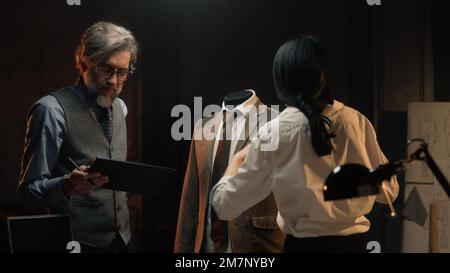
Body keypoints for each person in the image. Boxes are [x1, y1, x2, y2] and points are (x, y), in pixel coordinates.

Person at [211, 35, 399, 253]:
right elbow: (389, 193)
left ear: (281, 80)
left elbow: (225, 206)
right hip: (358, 245)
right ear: (323, 75)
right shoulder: (356, 121)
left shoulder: (273, 132)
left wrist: (237, 159)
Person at [17, 21, 138, 253]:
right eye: (105, 69)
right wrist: (66, 185)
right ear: (83, 61)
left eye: (122, 72)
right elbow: (28, 193)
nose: (114, 81)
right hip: (74, 243)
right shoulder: (51, 110)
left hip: (122, 241)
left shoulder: (121, 108)